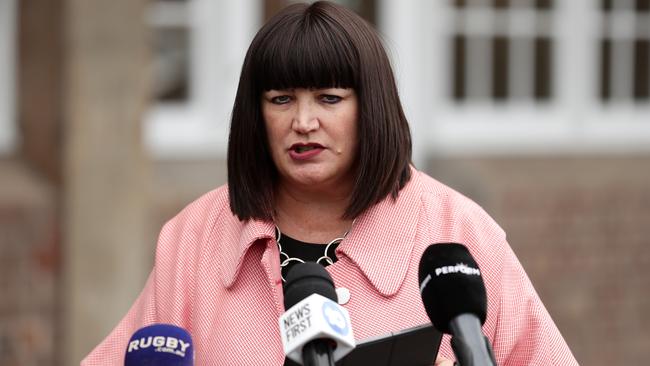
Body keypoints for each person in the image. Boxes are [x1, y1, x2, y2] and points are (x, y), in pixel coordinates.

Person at [82, 2, 577, 365]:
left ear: (371, 108)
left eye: (329, 98)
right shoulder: (196, 238)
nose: (303, 121)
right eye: (280, 99)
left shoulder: (457, 232)